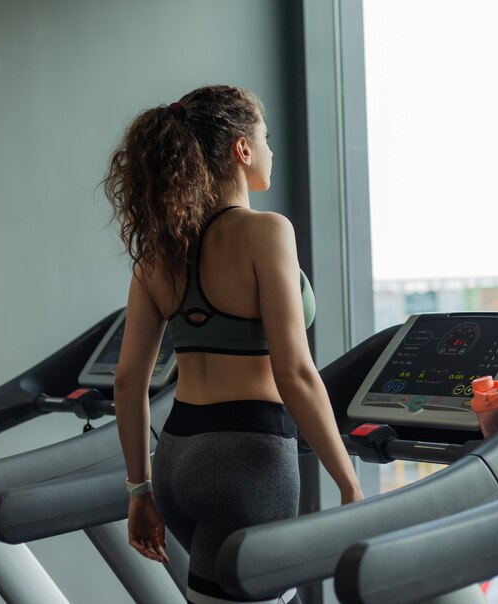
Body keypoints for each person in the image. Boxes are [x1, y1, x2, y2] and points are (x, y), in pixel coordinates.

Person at [104, 84, 363, 604]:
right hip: (247, 461)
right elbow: (295, 372)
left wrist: (139, 490)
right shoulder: (267, 232)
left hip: (177, 458)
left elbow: (129, 379)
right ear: (242, 150)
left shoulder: (160, 252)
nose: (271, 151)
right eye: (265, 138)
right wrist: (350, 485)